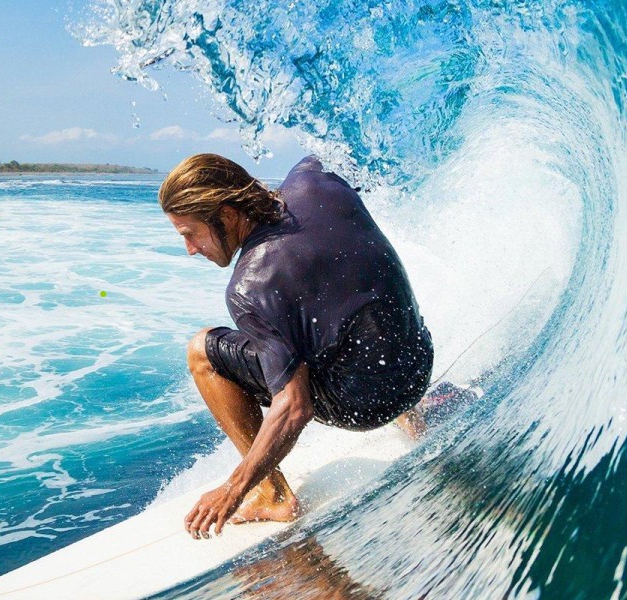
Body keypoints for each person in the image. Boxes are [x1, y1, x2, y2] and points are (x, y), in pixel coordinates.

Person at [162, 153, 434, 539]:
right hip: (417, 365)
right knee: (334, 297)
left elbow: (294, 407)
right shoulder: (315, 178)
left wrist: (232, 489)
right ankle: (414, 416)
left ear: (226, 215)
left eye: (190, 233)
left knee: (201, 351)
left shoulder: (249, 286)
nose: (190, 248)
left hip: (367, 406)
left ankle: (273, 494)